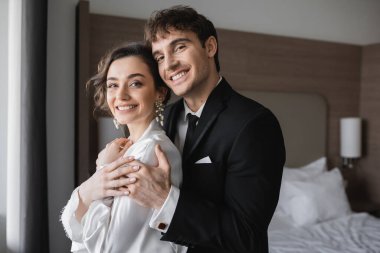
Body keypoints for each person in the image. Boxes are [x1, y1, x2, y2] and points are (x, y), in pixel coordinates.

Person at [119, 6, 286, 253]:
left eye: (179, 47)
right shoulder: (164, 117)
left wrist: (164, 201)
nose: (170, 64)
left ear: (210, 47)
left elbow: (246, 234)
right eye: (160, 57)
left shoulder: (254, 124)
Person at [61, 42, 187, 253]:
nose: (121, 95)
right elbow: (77, 233)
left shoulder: (151, 152)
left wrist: (98, 179)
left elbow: (104, 247)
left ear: (160, 93)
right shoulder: (128, 151)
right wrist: (92, 187)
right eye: (112, 85)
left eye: (135, 83)